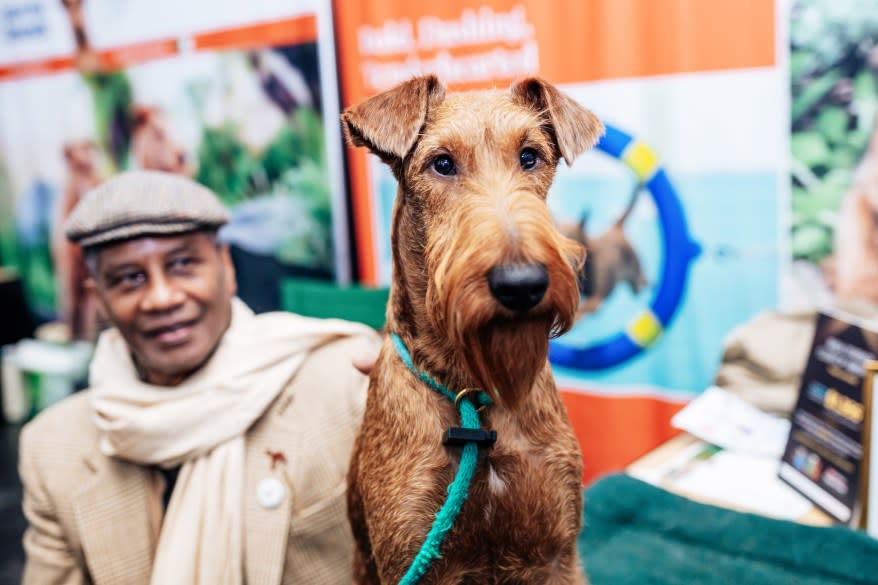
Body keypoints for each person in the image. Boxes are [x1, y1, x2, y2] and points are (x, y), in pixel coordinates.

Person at [18, 170, 379, 585]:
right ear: (98, 298)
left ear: (226, 267)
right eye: (129, 279)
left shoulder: (346, 380)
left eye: (183, 264)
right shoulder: (52, 449)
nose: (162, 297)